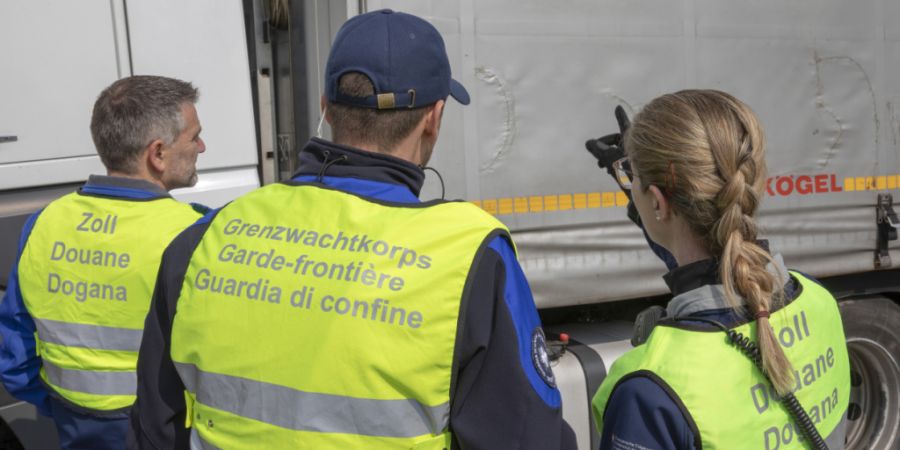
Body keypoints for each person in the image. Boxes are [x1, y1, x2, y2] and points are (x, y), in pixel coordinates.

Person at [128, 9, 576, 450]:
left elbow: (154, 425)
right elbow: (523, 435)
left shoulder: (204, 238)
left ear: (326, 108)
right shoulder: (470, 257)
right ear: (434, 118)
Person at [591, 90, 850, 449]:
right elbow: (711, 260)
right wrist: (650, 203)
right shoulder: (819, 300)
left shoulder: (650, 390)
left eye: (630, 176)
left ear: (658, 201)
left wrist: (652, 208)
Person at [0, 75, 206, 449]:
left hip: (75, 428)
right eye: (193, 137)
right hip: (164, 433)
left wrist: (68, 411)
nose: (201, 147)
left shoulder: (45, 222)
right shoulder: (194, 234)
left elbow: (16, 358)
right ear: (157, 153)